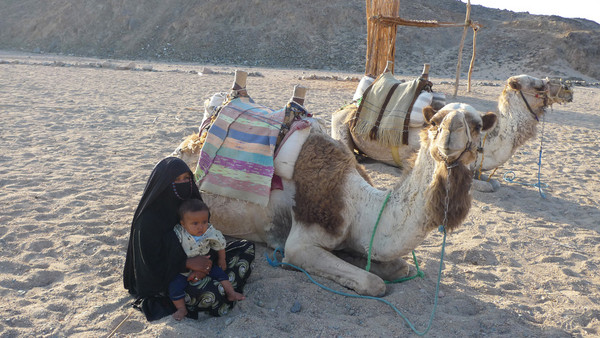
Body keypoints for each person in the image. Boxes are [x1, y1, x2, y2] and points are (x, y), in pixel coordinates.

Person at [123, 157, 254, 321]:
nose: (183, 183)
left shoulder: (192, 205)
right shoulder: (148, 220)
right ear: (162, 183)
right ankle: (224, 286)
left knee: (246, 247)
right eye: (176, 180)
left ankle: (222, 284)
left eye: (186, 178)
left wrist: (205, 265)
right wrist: (186, 263)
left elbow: (208, 238)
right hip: (171, 277)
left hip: (203, 265)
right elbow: (150, 265)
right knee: (212, 293)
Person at [169, 199, 245, 320]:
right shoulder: (179, 233)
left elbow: (220, 244)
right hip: (184, 270)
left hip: (206, 265)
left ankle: (231, 293)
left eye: (204, 222)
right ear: (183, 223)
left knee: (221, 274)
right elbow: (171, 252)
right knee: (174, 287)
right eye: (195, 223)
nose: (201, 227)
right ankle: (181, 309)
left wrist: (222, 259)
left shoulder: (209, 231)